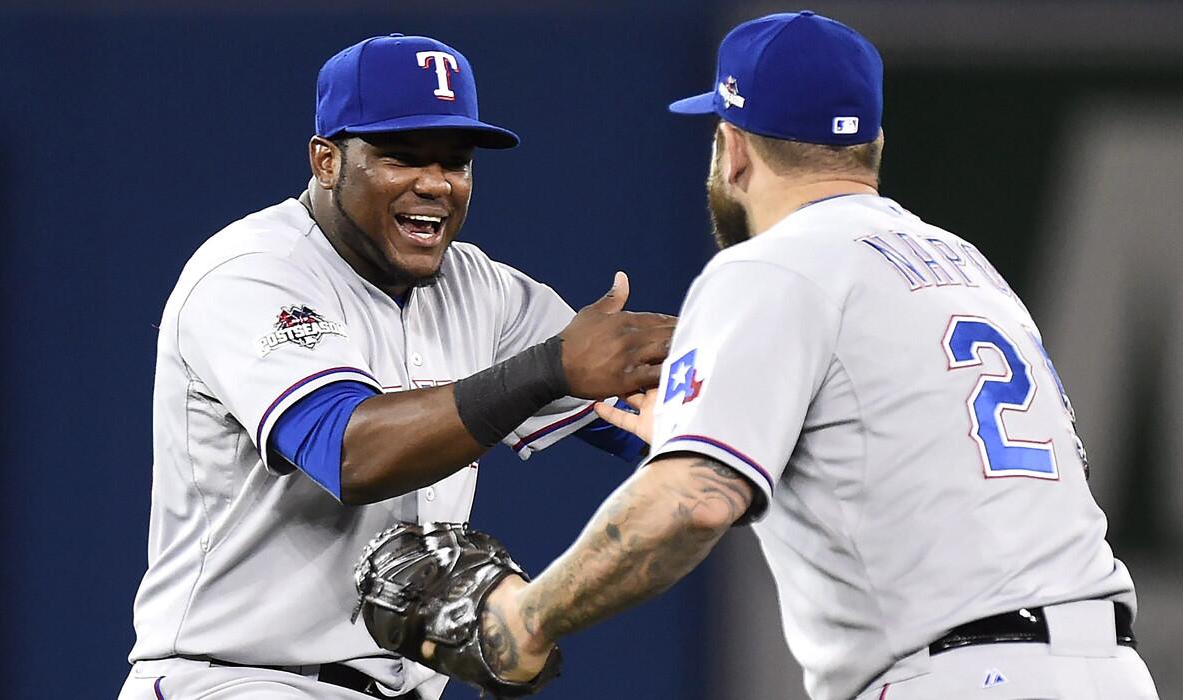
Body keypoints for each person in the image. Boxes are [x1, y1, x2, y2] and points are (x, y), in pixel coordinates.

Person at [471, 12, 1160, 700]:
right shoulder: (966, 267)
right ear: (871, 145)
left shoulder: (772, 264)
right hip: (1112, 671)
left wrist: (525, 620)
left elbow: (694, 505)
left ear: (732, 147)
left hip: (962, 675)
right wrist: (721, 429)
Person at [116, 34, 672, 700]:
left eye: (455, 162)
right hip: (238, 679)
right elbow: (352, 453)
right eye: (401, 157)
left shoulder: (481, 287)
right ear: (326, 160)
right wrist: (549, 368)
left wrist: (718, 420)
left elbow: (641, 404)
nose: (435, 183)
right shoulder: (252, 274)